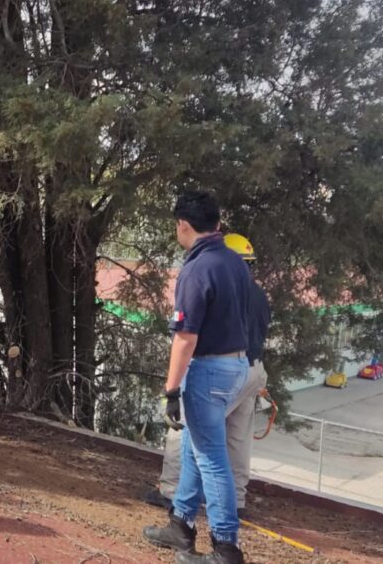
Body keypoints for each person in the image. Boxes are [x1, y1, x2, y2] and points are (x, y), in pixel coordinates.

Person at [143, 191, 251, 564]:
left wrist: (171, 389)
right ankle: (181, 525)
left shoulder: (196, 269)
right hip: (235, 365)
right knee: (193, 444)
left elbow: (185, 338)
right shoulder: (233, 262)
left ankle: (226, 549)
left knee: (211, 457)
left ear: (183, 225)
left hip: (208, 370)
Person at [145, 233, 271, 515]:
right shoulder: (258, 293)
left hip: (223, 371)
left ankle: (171, 491)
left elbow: (191, 335)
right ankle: (237, 499)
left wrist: (174, 385)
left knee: (184, 428)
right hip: (253, 370)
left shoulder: (222, 286)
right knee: (237, 439)